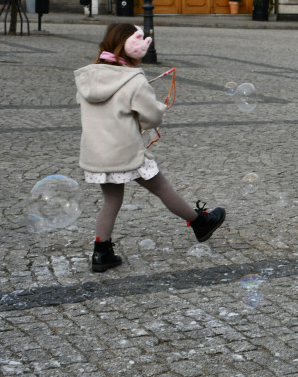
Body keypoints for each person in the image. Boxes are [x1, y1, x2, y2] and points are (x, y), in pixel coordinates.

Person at [75, 24, 226, 273]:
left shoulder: (88, 77)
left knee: (111, 200)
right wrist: (159, 108)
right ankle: (201, 222)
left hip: (98, 152)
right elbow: (151, 117)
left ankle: (101, 253)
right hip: (127, 151)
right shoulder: (134, 80)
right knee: (162, 187)